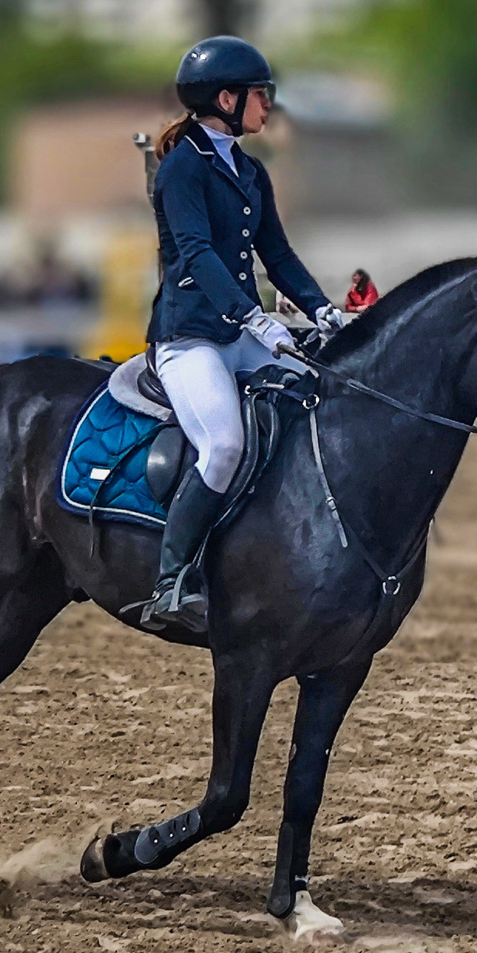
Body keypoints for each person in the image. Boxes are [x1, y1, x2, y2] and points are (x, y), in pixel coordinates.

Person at [134, 36, 349, 633]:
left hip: (238, 329)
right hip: (191, 336)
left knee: (319, 391)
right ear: (225, 99)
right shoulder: (181, 169)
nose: (267, 107)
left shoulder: (250, 171)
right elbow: (198, 254)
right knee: (224, 444)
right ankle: (171, 581)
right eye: (260, 96)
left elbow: (275, 253)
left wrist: (321, 309)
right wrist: (253, 317)